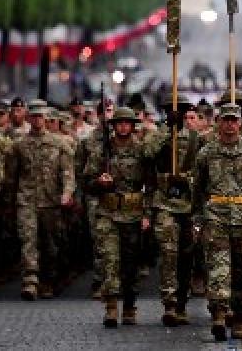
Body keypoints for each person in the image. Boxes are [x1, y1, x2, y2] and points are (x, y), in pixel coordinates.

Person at [192, 104, 242, 342]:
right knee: (218, 268)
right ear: (218, 122)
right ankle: (218, 314)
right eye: (225, 120)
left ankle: (239, 317)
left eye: (234, 120)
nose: (230, 124)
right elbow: (197, 189)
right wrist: (197, 219)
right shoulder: (206, 153)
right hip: (215, 216)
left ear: (240, 123)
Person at [82, 106, 150, 327]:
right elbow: (87, 183)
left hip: (132, 214)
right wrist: (99, 183)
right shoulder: (103, 150)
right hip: (108, 213)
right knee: (109, 260)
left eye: (126, 123)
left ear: (132, 126)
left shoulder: (141, 150)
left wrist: (147, 214)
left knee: (131, 264)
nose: (123, 126)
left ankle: (129, 306)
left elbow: (151, 185)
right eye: (119, 123)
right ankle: (111, 307)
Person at [145, 93, 202, 326]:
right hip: (164, 203)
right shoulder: (159, 135)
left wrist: (186, 179)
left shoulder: (197, 139)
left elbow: (202, 171)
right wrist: (168, 129)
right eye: (171, 111)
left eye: (180, 111)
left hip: (188, 204)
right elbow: (147, 153)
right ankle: (169, 302)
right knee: (169, 253)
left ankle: (181, 302)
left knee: (186, 256)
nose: (176, 114)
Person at [13, 100, 76, 301]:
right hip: (27, 200)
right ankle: (30, 281)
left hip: (51, 201)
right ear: (29, 118)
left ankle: (49, 280)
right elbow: (12, 175)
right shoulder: (20, 145)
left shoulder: (59, 144)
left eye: (41, 116)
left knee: (51, 243)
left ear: (46, 118)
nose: (38, 120)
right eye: (34, 116)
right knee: (28, 240)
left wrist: (67, 193)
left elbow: (67, 173)